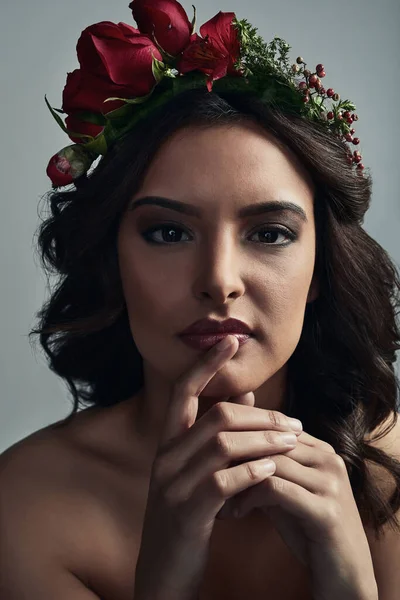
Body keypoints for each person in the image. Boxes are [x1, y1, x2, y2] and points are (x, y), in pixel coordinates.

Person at [1, 2, 400, 599]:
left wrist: (350, 582)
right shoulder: (26, 503)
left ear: (321, 268)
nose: (219, 280)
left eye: (269, 234)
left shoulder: (389, 474)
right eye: (168, 232)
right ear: (115, 263)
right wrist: (163, 581)